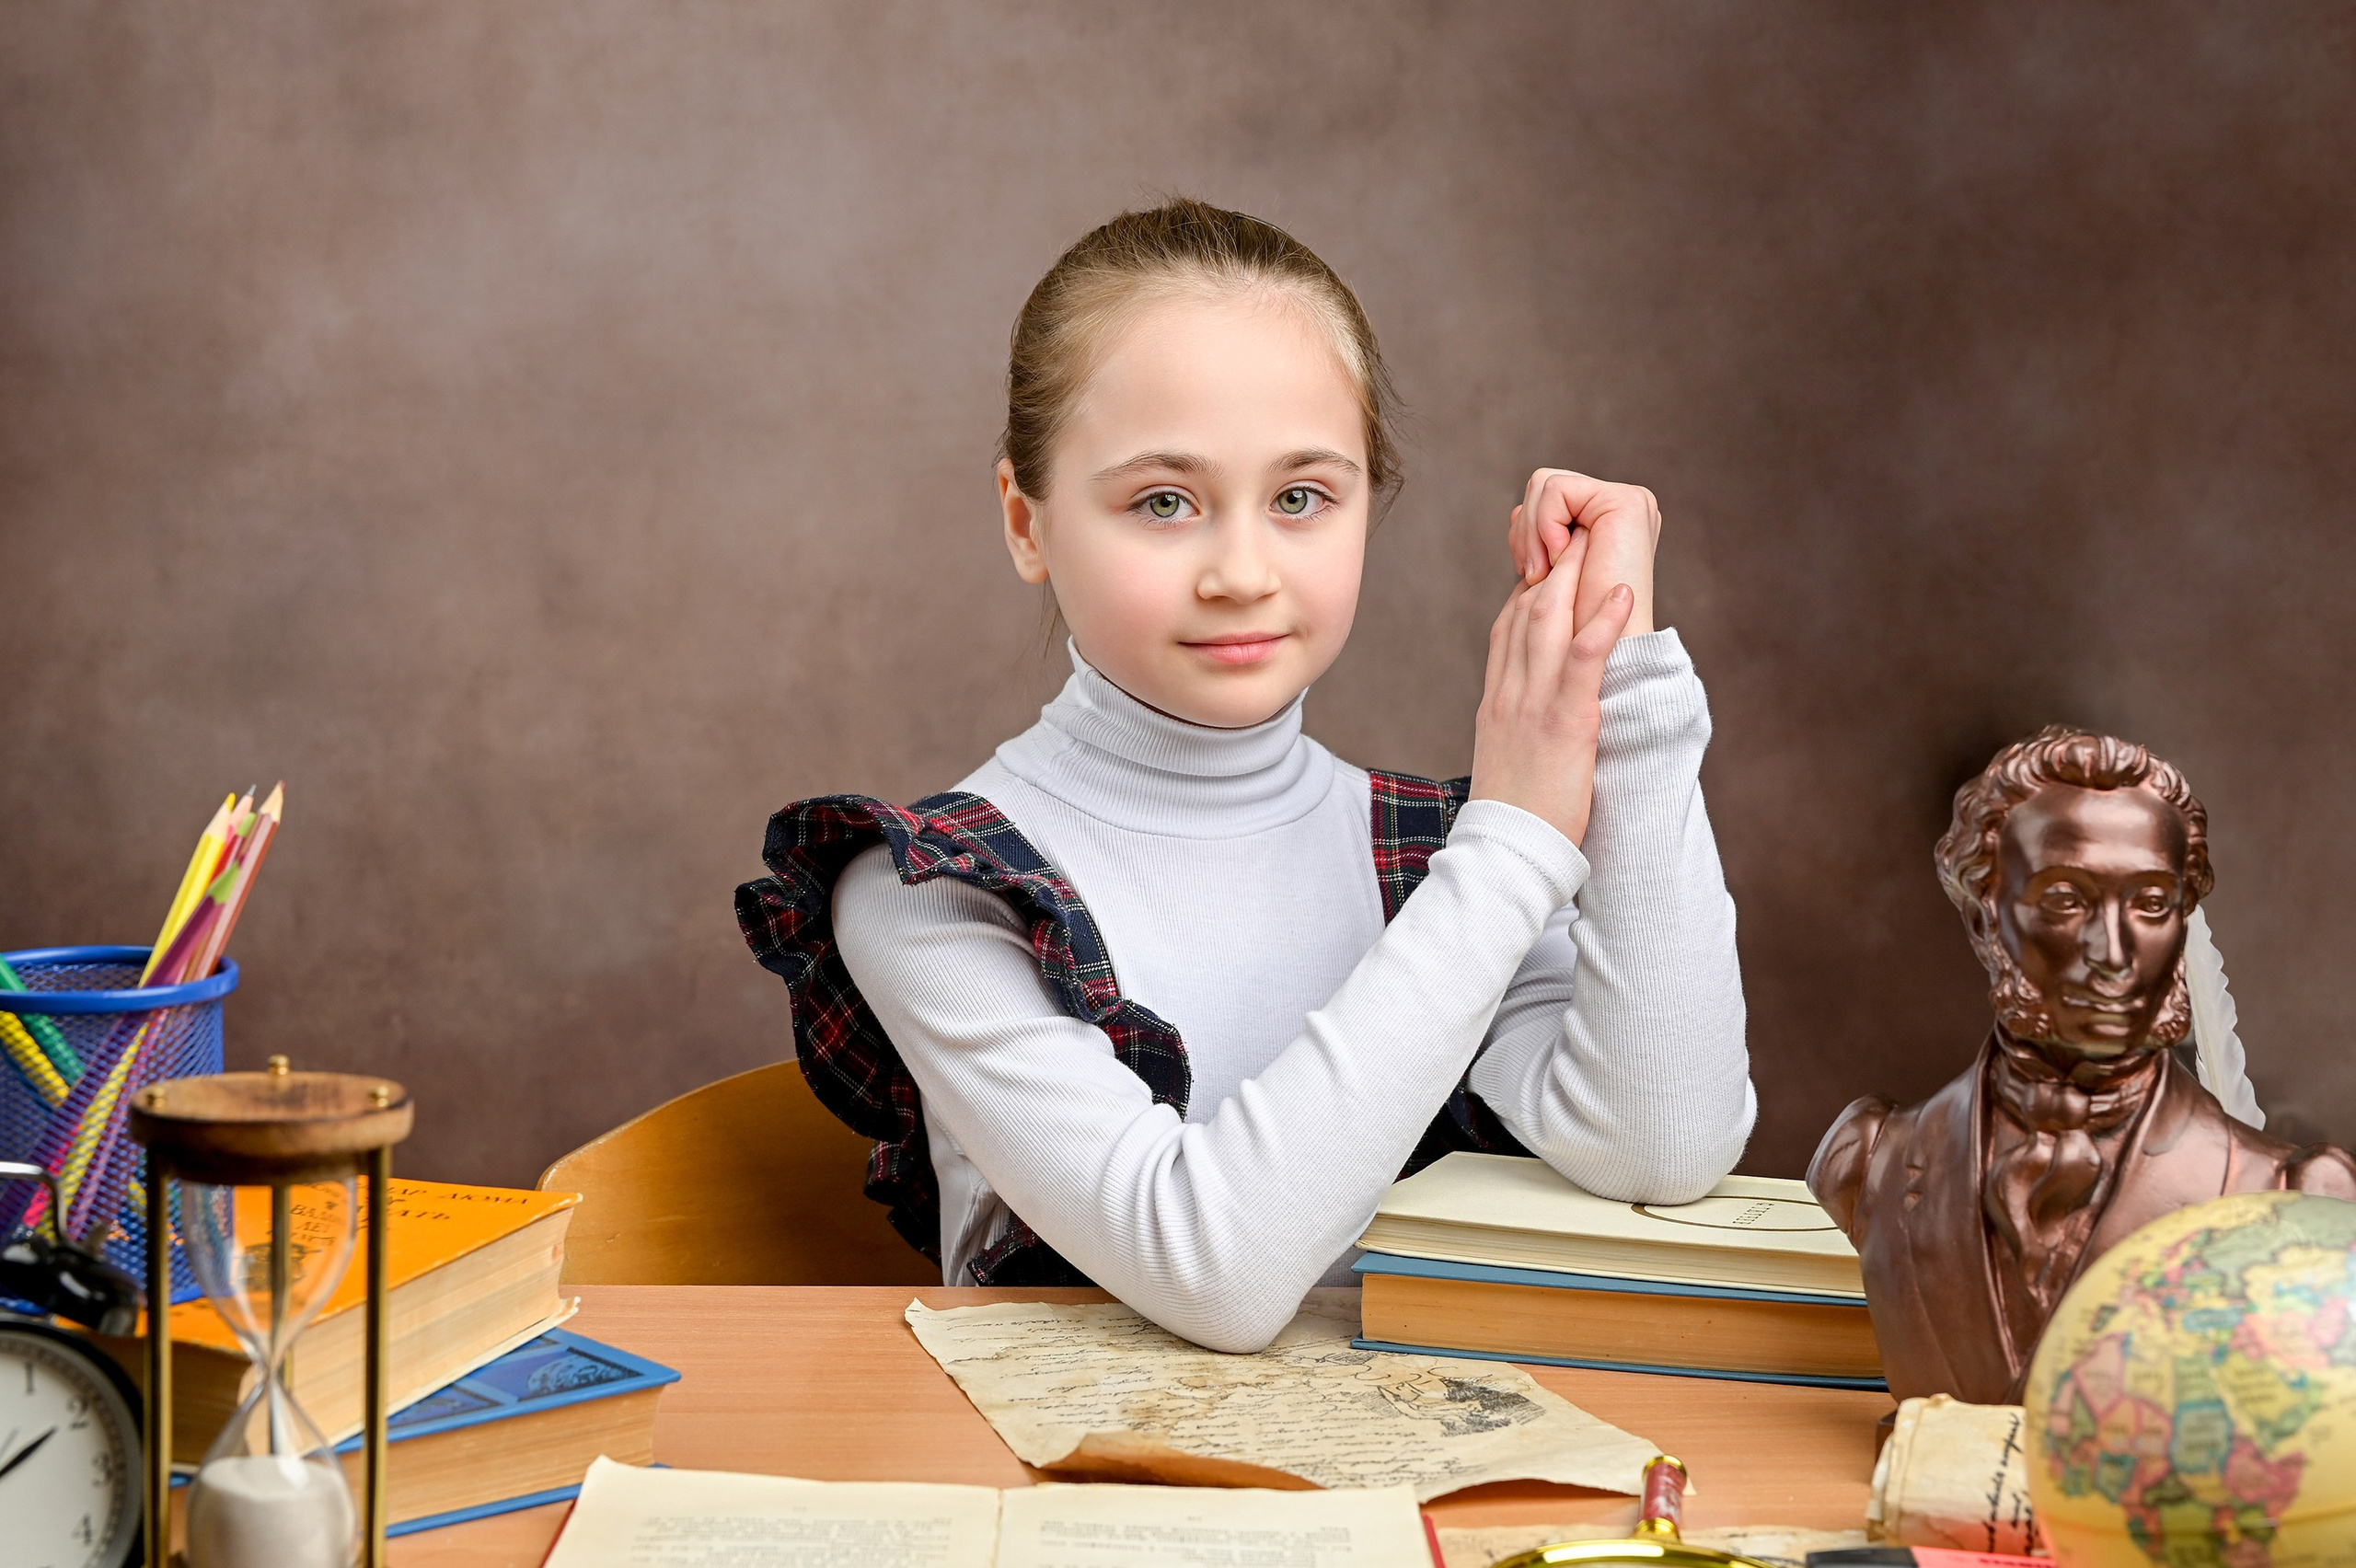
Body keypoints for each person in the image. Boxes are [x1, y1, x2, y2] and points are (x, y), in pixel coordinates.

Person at [737, 199, 1753, 1352]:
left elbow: (1664, 1144)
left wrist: (1622, 695)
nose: (1241, 571)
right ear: (1027, 520)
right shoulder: (928, 889)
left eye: (1301, 498)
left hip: (1397, 1505)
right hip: (1078, 1511)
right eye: (1162, 502)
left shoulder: (1436, 861)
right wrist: (1518, 842)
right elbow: (1212, 1271)